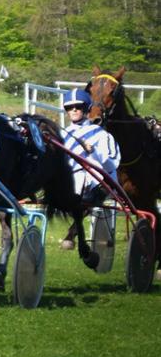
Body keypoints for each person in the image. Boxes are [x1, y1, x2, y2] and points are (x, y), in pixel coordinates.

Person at [59, 87, 121, 249]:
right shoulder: (62, 134)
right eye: (69, 107)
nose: (73, 110)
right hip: (70, 181)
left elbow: (111, 165)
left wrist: (94, 152)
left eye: (78, 106)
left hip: (98, 182)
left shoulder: (101, 135)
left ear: (86, 108)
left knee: (87, 195)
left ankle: (72, 233)